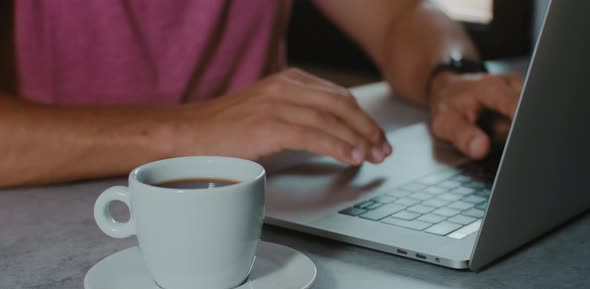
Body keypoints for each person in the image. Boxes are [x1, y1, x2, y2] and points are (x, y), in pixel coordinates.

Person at [0, 1, 523, 188]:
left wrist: (451, 76)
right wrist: (196, 131)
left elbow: (400, 16)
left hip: (270, 211)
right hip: (57, 218)